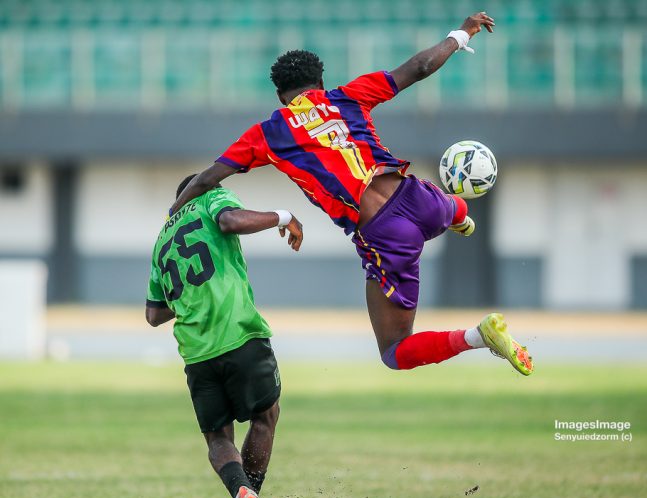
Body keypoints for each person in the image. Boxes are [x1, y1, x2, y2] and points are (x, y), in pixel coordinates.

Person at [170, 12, 534, 376]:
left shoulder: (269, 133)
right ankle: (458, 216)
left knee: (394, 351)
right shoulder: (348, 96)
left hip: (385, 234)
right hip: (417, 197)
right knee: (448, 206)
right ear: (320, 82)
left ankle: (478, 336)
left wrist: (173, 214)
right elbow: (420, 67)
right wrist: (462, 33)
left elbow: (205, 180)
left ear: (281, 96)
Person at [145, 174, 304, 498]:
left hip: (196, 351)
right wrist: (283, 216)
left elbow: (153, 314)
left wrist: (191, 297)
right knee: (265, 416)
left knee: (218, 437)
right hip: (239, 333)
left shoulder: (162, 240)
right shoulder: (210, 198)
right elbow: (230, 221)